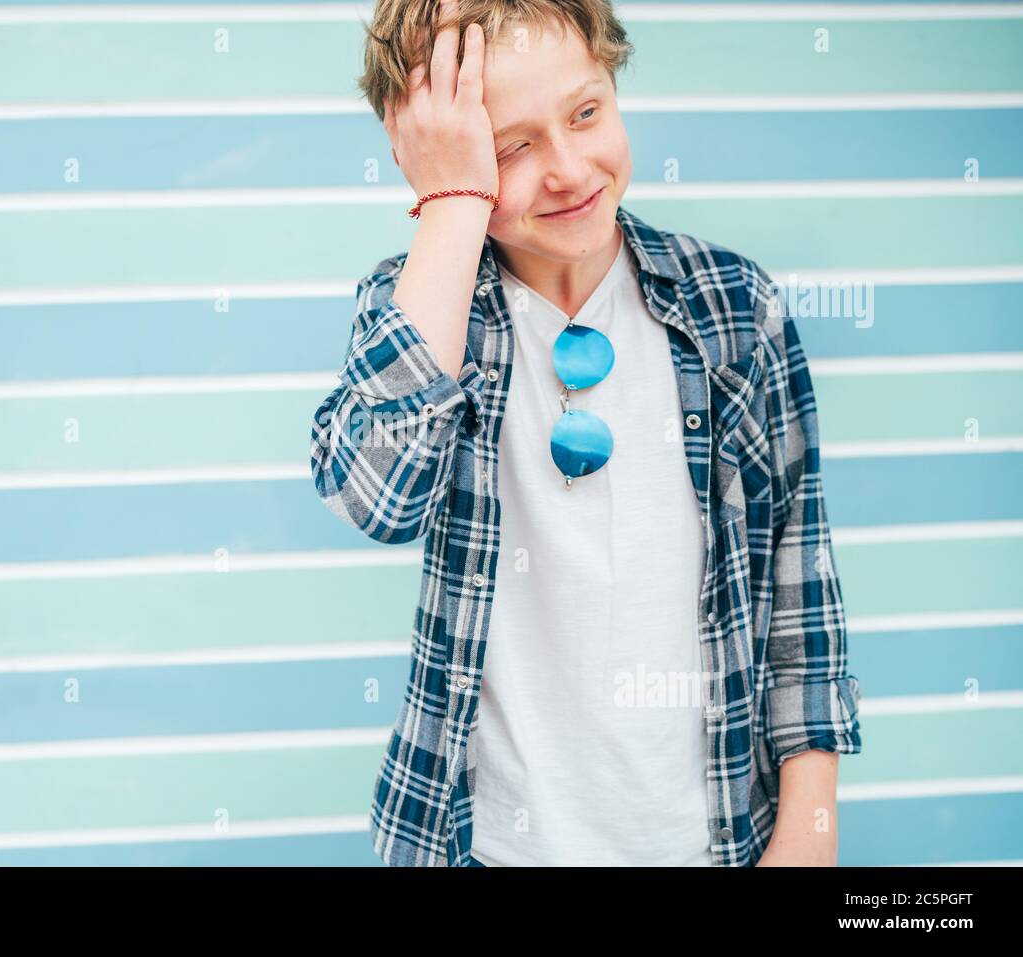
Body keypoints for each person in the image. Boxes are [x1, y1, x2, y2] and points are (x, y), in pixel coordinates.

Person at [309, 0, 863, 867]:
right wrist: (453, 206)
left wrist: (809, 832)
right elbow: (378, 496)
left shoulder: (733, 309)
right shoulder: (421, 307)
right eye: (511, 147)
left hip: (713, 842)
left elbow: (799, 583)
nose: (569, 169)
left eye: (586, 113)